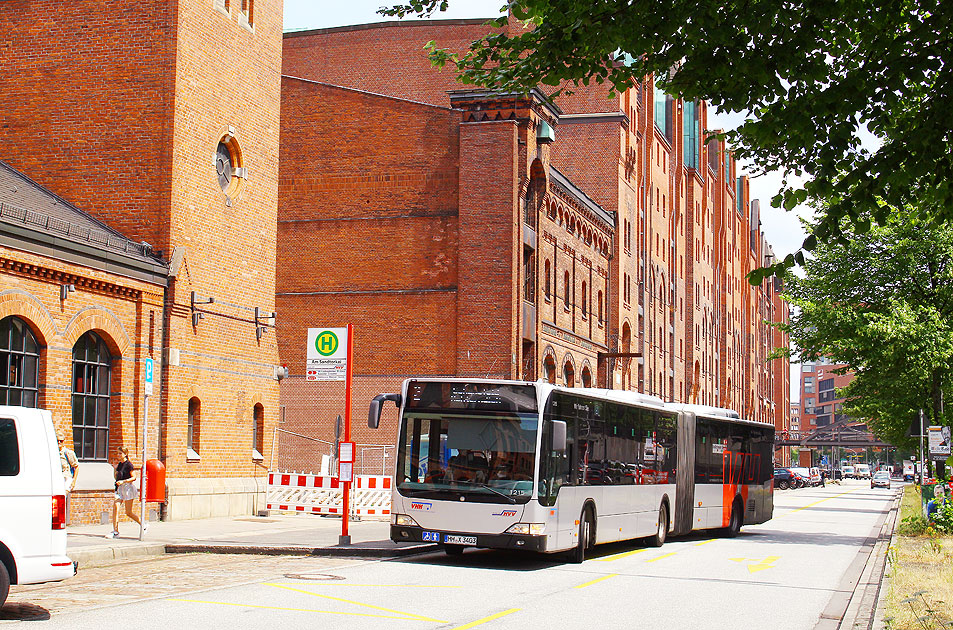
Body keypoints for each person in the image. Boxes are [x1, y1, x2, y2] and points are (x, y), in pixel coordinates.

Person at [108, 446, 146, 538]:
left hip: (128, 488)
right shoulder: (119, 464)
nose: (118, 455)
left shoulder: (129, 464)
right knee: (116, 507)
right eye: (117, 453)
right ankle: (115, 531)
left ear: (125, 454)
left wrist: (123, 481)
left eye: (120, 453)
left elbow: (134, 477)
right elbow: (116, 477)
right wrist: (114, 469)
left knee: (128, 512)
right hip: (119, 489)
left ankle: (143, 524)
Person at [58, 431, 78, 525]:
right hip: (58, 478)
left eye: (61, 441)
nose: (59, 443)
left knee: (63, 497)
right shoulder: (53, 453)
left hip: (66, 477)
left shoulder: (68, 453)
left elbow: (76, 467)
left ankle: (62, 520)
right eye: (57, 441)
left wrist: (73, 481)